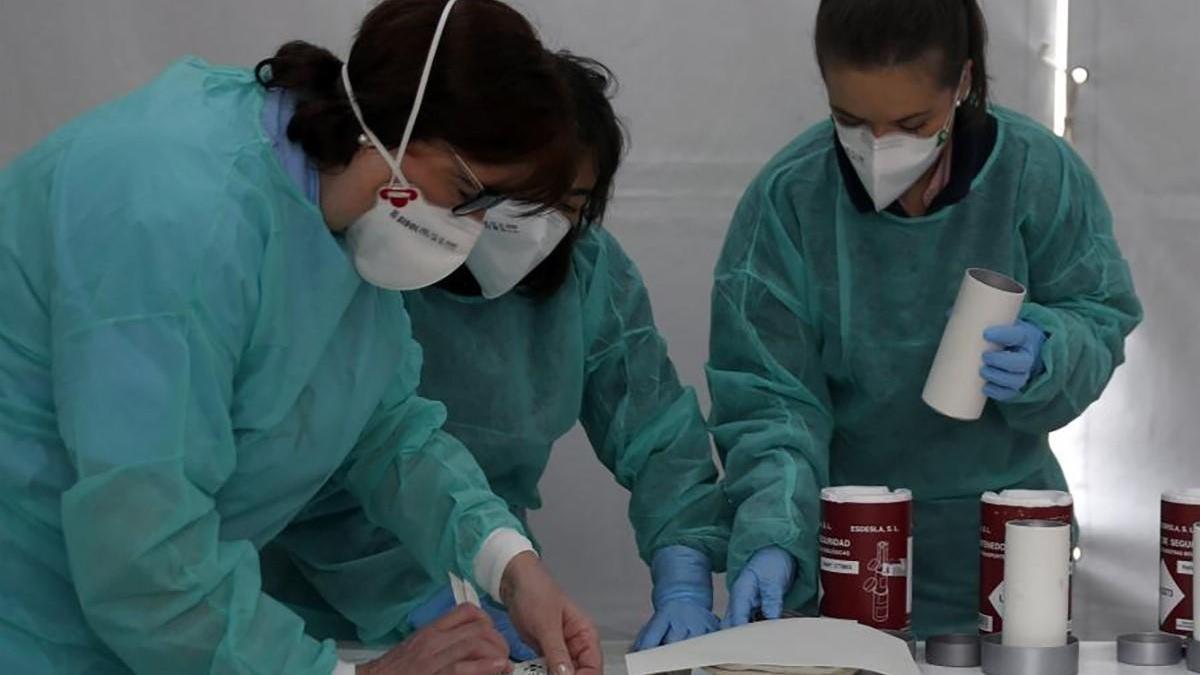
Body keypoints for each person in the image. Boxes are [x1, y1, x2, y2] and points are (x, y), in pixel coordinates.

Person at [0, 0, 603, 673]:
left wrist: (508, 562)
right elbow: (145, 558)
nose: (468, 227)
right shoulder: (177, 214)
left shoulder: (347, 219)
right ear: (394, 129)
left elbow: (387, 430)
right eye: (465, 191)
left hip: (136, 630)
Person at [261, 52, 732, 657]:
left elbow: (657, 428)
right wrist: (429, 604)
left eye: (569, 204)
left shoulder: (586, 275)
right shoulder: (376, 258)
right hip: (306, 620)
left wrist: (684, 574)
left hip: (489, 573)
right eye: (523, 197)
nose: (539, 226)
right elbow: (326, 473)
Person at [708, 0, 1142, 637]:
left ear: (963, 83)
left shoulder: (1037, 174)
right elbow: (769, 400)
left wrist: (1053, 351)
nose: (878, 149)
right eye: (850, 121)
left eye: (910, 123)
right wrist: (776, 533)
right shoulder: (791, 199)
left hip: (1005, 546)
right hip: (848, 549)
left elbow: (1099, 309)